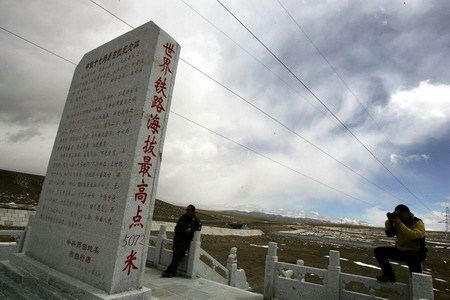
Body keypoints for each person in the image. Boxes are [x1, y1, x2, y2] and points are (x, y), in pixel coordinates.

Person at [374, 204, 427, 282]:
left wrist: (400, 224)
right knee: (379, 251)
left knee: (416, 278)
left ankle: (418, 286)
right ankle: (389, 275)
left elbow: (415, 236)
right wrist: (389, 223)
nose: (400, 217)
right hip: (402, 250)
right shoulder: (397, 222)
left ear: (408, 213)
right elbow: (390, 235)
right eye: (398, 215)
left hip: (416, 253)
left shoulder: (417, 222)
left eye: (401, 215)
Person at [162, 204, 202, 278]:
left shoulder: (196, 220)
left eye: (189, 210)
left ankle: (170, 272)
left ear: (193, 211)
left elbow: (199, 228)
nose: (187, 211)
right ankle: (170, 271)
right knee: (175, 256)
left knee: (178, 256)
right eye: (186, 209)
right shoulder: (182, 217)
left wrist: (191, 229)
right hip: (177, 239)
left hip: (185, 241)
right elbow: (177, 227)